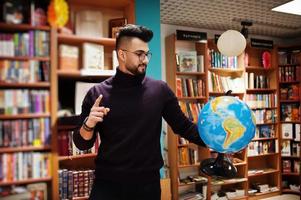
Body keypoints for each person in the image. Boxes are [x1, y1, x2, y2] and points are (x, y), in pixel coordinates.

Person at [73, 24, 206, 200]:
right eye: (139, 54)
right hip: (107, 185)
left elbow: (184, 127)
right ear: (121, 54)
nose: (145, 60)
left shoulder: (160, 90)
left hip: (147, 187)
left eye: (146, 54)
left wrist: (219, 140)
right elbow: (82, 144)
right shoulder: (97, 93)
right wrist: (88, 124)